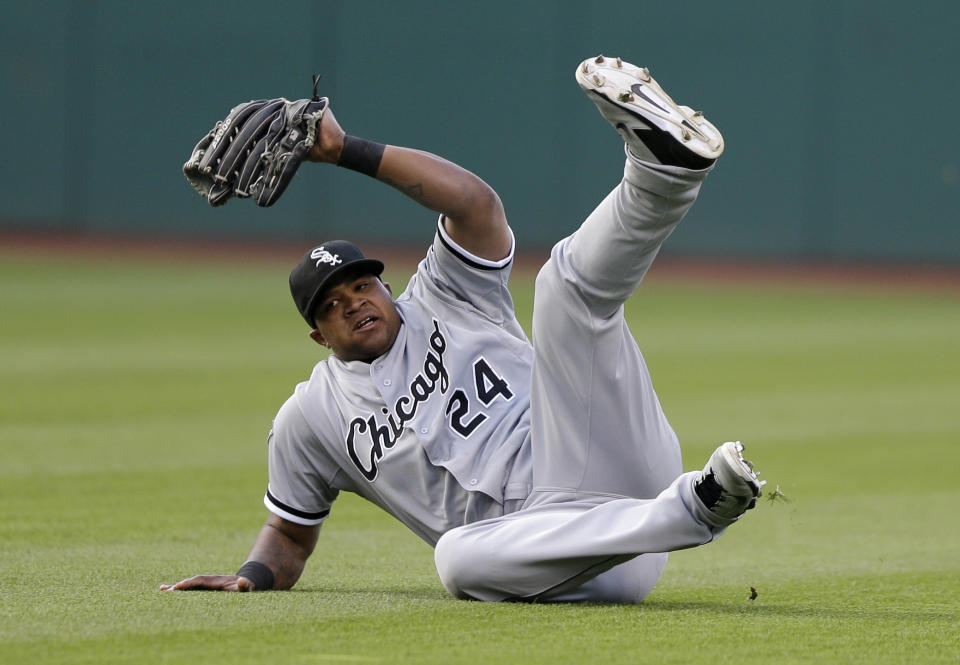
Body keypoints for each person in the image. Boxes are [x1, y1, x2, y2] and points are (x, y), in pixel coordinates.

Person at [161, 55, 764, 603]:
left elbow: (475, 205)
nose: (353, 303)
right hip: (576, 556)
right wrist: (253, 575)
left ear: (386, 286)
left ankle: (664, 175)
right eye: (331, 305)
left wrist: (345, 150)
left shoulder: (448, 294)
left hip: (609, 454)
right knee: (457, 559)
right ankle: (700, 505)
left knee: (562, 287)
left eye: (361, 285)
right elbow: (288, 535)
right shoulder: (310, 418)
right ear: (318, 337)